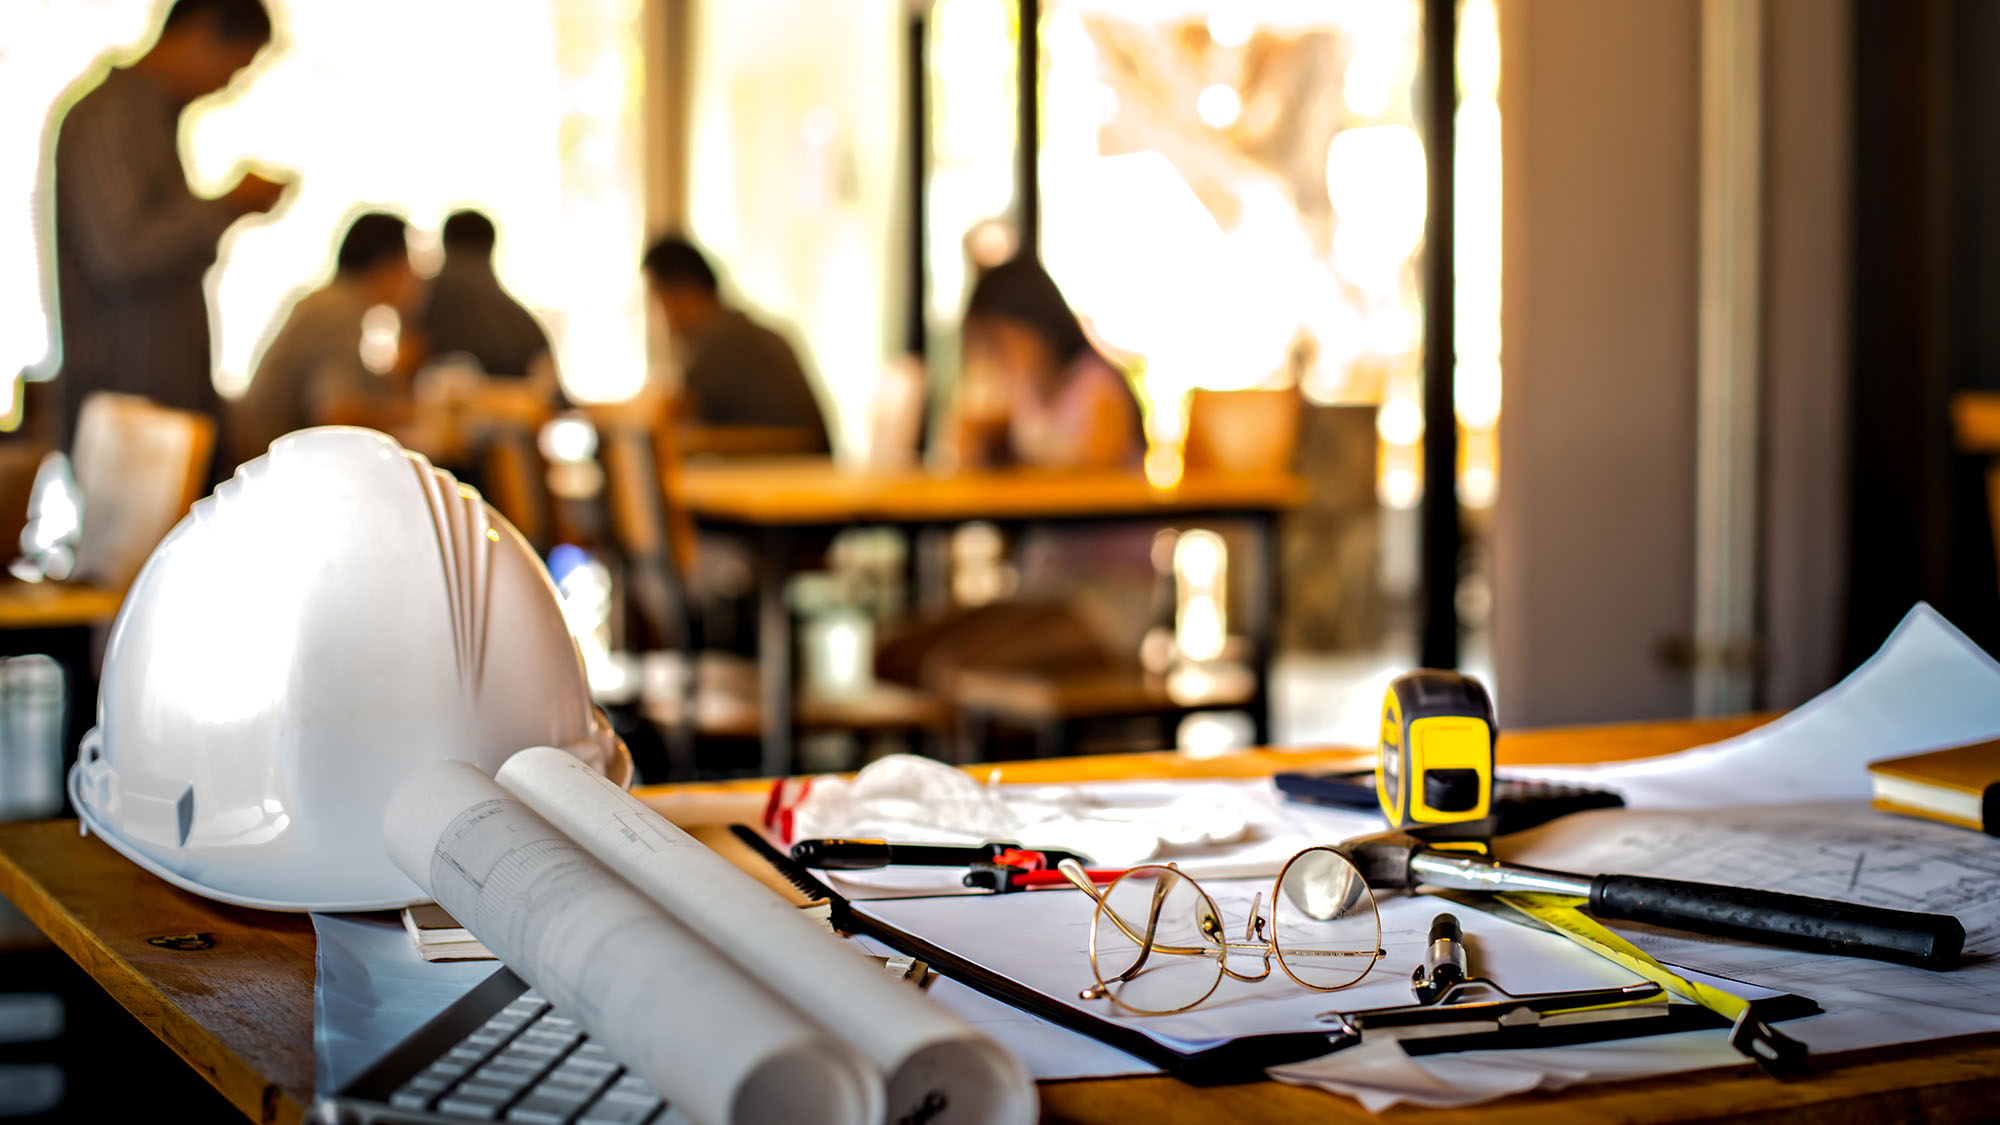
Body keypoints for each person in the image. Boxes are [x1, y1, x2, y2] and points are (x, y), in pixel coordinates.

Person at [46, 0, 292, 450]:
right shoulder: (111, 114)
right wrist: (229, 202)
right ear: (200, 31)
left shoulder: (152, 118)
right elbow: (122, 252)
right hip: (129, 412)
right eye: (234, 68)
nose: (228, 85)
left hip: (153, 407)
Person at [229, 212, 420, 466]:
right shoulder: (339, 310)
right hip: (270, 469)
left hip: (267, 458)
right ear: (388, 266)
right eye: (411, 264)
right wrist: (409, 419)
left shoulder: (331, 299)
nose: (416, 278)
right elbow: (336, 414)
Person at [951, 255, 1144, 472]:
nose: (993, 355)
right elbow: (964, 461)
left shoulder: (1098, 388)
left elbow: (1096, 480)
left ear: (1036, 327)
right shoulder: (1022, 392)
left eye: (997, 340)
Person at [642, 236, 830, 453]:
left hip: (782, 474)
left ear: (684, 291)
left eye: (656, 298)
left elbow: (678, 414)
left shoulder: (719, 340)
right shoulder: (739, 329)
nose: (658, 317)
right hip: (795, 468)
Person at [418, 209, 558, 393]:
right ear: (492, 248)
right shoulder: (519, 318)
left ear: (445, 245)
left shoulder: (431, 295)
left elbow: (413, 359)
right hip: (523, 409)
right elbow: (551, 391)